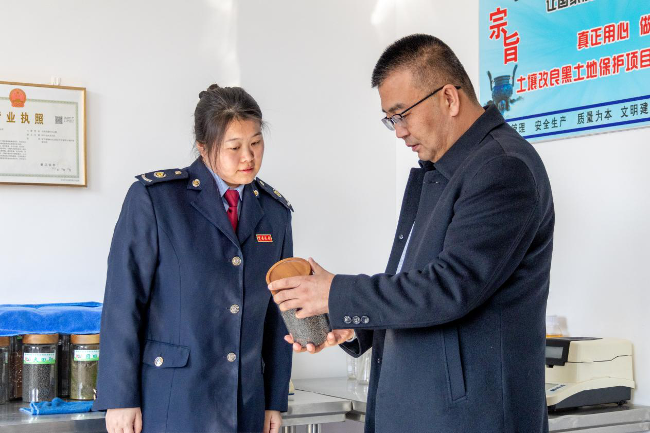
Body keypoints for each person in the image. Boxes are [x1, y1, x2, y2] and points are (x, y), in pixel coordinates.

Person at [269, 34, 555, 433]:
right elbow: (414, 282)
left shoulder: (502, 168)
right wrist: (354, 323)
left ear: (449, 98)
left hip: (472, 418)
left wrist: (335, 292)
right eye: (390, 119)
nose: (398, 131)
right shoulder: (444, 171)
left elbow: (449, 287)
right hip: (423, 408)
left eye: (401, 114)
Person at [93, 84, 294, 433]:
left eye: (256, 143)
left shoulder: (274, 212)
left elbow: (280, 313)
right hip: (173, 399)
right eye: (234, 147)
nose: (248, 157)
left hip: (246, 403)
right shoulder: (156, 200)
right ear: (203, 147)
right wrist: (120, 397)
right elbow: (124, 302)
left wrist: (274, 400)